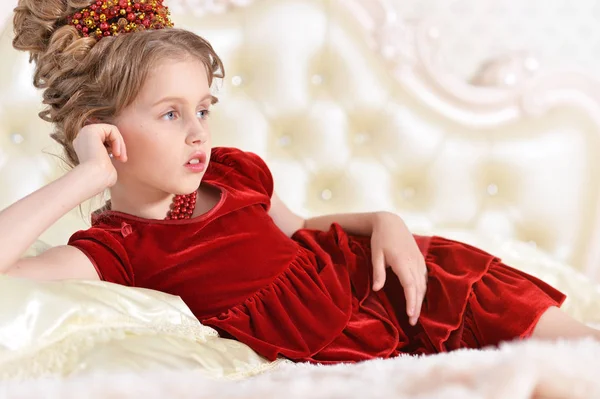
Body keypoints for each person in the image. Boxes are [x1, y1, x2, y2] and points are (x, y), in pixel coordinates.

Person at [2, 0, 597, 364]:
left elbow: (301, 229)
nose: (197, 134)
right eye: (169, 113)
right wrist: (88, 176)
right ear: (100, 129)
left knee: (577, 352)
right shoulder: (121, 249)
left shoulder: (234, 170)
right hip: (347, 346)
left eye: (203, 109)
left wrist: (383, 222)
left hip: (394, 282)